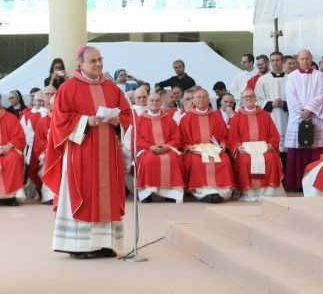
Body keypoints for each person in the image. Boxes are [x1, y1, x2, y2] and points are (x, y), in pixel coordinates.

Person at [42, 46, 132, 259]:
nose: (99, 64)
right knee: (82, 192)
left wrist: (118, 120)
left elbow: (127, 113)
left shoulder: (111, 87)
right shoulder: (68, 88)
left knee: (106, 194)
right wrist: (85, 121)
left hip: (107, 153)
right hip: (80, 152)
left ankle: (103, 243)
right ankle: (78, 246)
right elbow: (59, 120)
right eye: (93, 61)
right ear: (80, 64)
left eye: (100, 59)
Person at [228, 89, 286, 201]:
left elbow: (274, 134)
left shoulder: (265, 115)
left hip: (263, 148)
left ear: (255, 98)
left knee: (271, 158)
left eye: (251, 96)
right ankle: (250, 192)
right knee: (245, 160)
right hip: (246, 150)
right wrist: (238, 146)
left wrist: (271, 145)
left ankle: (269, 191)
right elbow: (233, 138)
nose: (249, 99)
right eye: (246, 97)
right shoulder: (236, 117)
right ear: (242, 100)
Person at [179, 88, 234, 203]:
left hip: (214, 149)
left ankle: (221, 192)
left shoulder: (216, 117)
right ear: (193, 100)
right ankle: (202, 193)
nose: (201, 100)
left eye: (204, 97)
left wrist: (223, 143)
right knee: (196, 161)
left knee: (224, 160)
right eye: (198, 97)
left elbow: (224, 135)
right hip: (196, 151)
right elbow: (182, 139)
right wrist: (188, 147)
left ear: (209, 100)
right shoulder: (186, 118)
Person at [284, 49, 323, 191]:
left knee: (315, 150)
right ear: (298, 59)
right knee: (298, 150)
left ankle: (315, 183)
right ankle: (296, 184)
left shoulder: (320, 75)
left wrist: (310, 109)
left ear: (311, 58)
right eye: (302, 59)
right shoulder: (292, 76)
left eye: (307, 58)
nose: (305, 61)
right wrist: (302, 112)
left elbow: (322, 94)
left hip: (314, 117)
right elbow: (291, 96)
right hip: (298, 118)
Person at [135, 93, 185, 203]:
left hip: (167, 148)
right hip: (147, 150)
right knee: (148, 160)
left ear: (161, 102)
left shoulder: (169, 119)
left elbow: (176, 138)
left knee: (172, 159)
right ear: (147, 103)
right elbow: (137, 139)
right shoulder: (139, 120)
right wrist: (150, 147)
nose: (154, 103)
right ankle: (147, 193)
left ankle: (170, 194)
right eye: (151, 100)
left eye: (157, 100)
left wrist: (167, 146)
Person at [255, 51, 289, 165]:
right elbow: (257, 100)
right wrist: (270, 104)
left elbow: (298, 100)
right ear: (270, 62)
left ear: (282, 61)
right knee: (271, 153)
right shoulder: (263, 80)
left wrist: (284, 104)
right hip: (270, 118)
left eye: (278, 60)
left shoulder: (291, 79)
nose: (275, 63)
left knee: (286, 154)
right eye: (272, 60)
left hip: (287, 120)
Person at [0, 98, 26, 206]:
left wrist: (9, 146)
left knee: (13, 159)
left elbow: (20, 137)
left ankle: (11, 197)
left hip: (7, 150)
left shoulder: (10, 118)